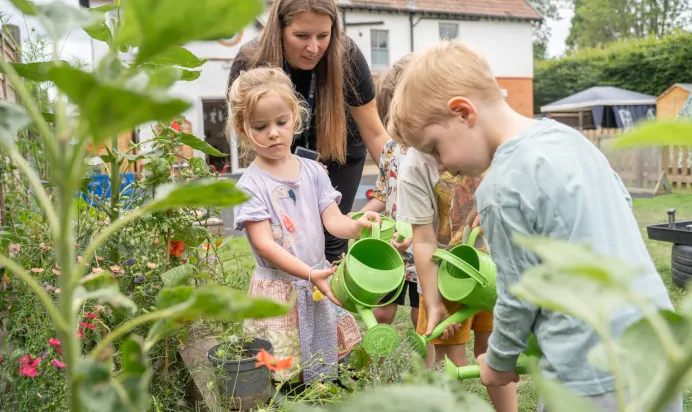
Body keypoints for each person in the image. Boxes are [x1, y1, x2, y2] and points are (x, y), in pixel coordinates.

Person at [387, 41, 682, 412]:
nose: (441, 166)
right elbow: (621, 205)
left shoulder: (500, 187)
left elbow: (517, 294)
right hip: (654, 349)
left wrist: (498, 361)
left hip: (586, 371)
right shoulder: (571, 140)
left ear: (463, 112)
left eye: (435, 148)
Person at [229, 67, 381, 387]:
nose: (273, 133)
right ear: (243, 130)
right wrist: (309, 274)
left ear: (295, 118)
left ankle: (322, 393)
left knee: (323, 363)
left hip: (316, 282)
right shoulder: (251, 185)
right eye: (261, 126)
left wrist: (359, 226)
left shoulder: (313, 171)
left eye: (281, 122)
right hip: (279, 291)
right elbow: (266, 246)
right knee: (286, 372)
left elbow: (334, 221)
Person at [393, 63, 518, 412]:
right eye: (426, 150)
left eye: (435, 146)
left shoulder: (498, 146)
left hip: (495, 272)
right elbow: (423, 240)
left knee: (494, 353)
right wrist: (432, 301)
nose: (439, 159)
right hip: (446, 280)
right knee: (451, 365)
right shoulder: (415, 167)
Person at [227, 0, 389, 264]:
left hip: (340, 153)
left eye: (323, 36)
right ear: (278, 29)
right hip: (278, 155)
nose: (313, 48)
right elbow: (245, 129)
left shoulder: (347, 56)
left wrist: (402, 175)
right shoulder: (250, 61)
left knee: (332, 237)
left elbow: (374, 131)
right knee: (288, 239)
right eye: (301, 36)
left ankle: (329, 300)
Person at [357, 54, 421, 331]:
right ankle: (377, 360)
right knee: (382, 313)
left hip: (422, 250)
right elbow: (383, 197)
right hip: (391, 248)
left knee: (423, 316)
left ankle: (426, 370)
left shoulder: (432, 152)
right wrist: (358, 216)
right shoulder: (390, 151)